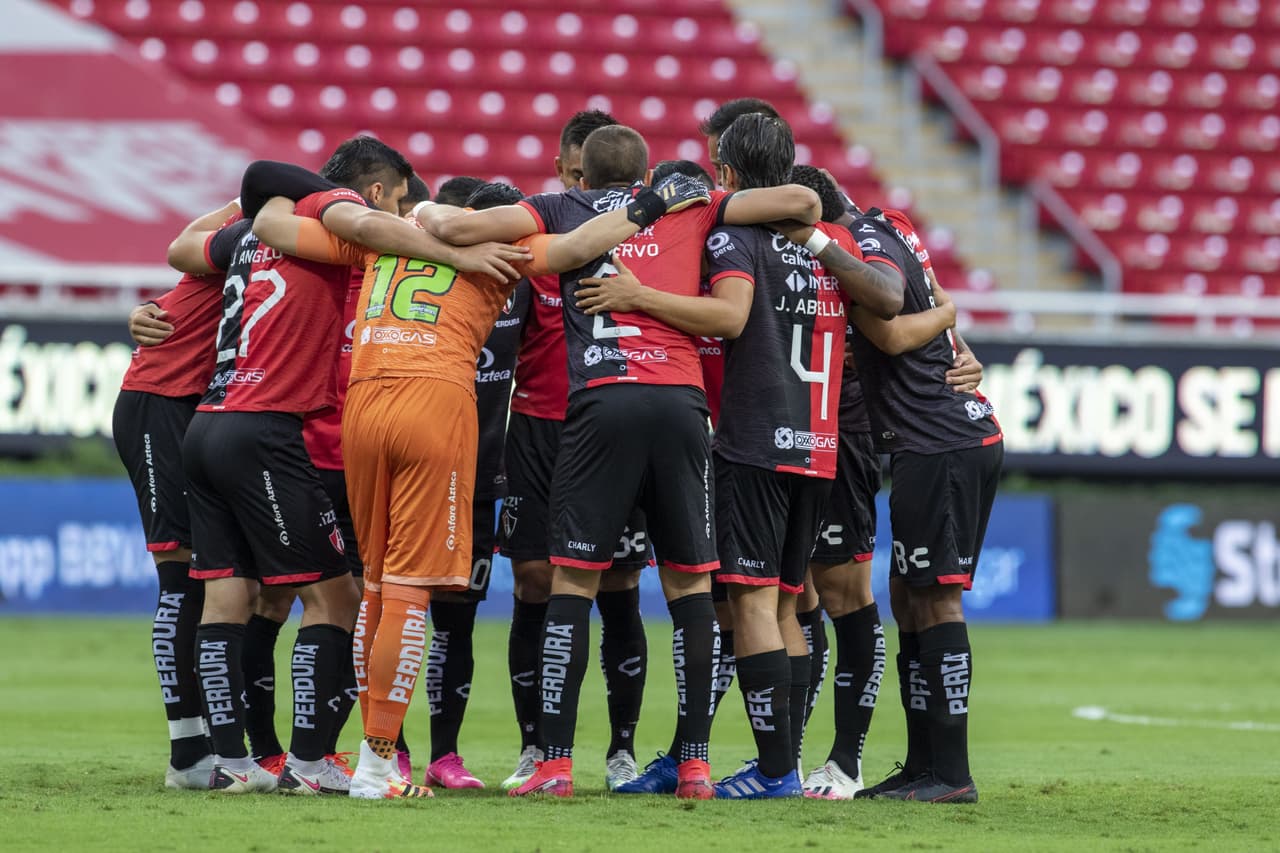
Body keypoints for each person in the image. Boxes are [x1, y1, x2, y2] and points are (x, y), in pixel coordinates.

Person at [249, 163, 715, 798]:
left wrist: (312, 194)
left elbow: (272, 222)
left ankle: (372, 760)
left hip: (362, 401)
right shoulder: (507, 251)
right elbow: (581, 247)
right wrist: (654, 202)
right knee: (412, 592)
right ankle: (379, 769)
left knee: (376, 587)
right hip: (434, 401)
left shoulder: (387, 232)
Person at [423, 123, 826, 799]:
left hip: (602, 404)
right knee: (691, 590)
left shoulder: (557, 209)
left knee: (572, 585)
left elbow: (458, 230)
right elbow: (805, 205)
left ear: (578, 175)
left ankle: (553, 764)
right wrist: (692, 195)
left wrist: (431, 214)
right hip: (679, 406)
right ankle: (694, 762)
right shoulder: (692, 206)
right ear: (643, 176)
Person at [573, 114, 902, 799]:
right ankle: (776, 757)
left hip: (752, 441)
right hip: (817, 446)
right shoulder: (833, 243)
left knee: (747, 607)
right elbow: (885, 301)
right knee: (785, 606)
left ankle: (776, 769)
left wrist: (637, 296)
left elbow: (729, 317)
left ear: (723, 171)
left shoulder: (735, 234)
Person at [785, 200, 1002, 804]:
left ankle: (952, 775)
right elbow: (927, 299)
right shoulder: (893, 228)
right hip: (924, 442)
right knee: (909, 599)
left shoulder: (862, 245)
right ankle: (922, 764)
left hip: (943, 441)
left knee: (937, 601)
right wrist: (948, 317)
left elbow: (891, 325)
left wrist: (946, 314)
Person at [493, 111, 653, 792]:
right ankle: (536, 746)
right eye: (566, 172)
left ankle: (621, 750)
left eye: (578, 173)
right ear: (564, 172)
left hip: (613, 424)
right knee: (534, 581)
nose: (572, 183)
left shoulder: (650, 236)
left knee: (619, 586)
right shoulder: (536, 230)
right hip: (536, 430)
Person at [113, 200, 241, 790]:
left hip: (204, 413)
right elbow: (184, 244)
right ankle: (187, 753)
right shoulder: (258, 227)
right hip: (159, 402)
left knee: (218, 577)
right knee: (180, 573)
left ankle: (215, 743)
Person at [422, 181, 532, 791]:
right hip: (420, 465)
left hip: (484, 475)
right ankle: (388, 746)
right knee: (396, 608)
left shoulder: (523, 280)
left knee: (457, 621)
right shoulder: (421, 271)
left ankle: (444, 755)